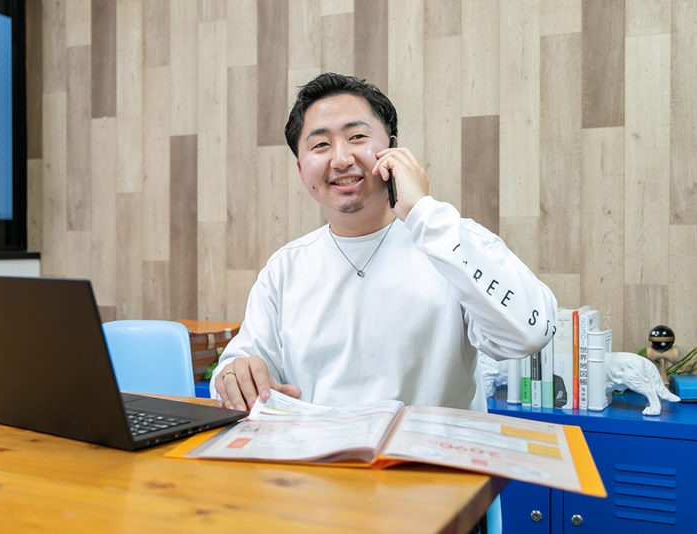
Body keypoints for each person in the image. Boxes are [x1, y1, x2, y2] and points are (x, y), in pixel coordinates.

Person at [211, 72, 557, 413]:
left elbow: (531, 333)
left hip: (432, 451)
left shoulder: (448, 240)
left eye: (357, 137)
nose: (341, 159)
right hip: (320, 450)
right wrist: (233, 375)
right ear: (302, 171)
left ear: (392, 149)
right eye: (320, 145)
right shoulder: (284, 269)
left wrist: (422, 211)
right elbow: (239, 365)